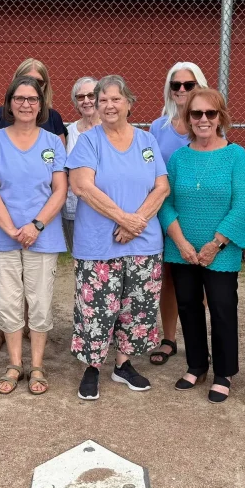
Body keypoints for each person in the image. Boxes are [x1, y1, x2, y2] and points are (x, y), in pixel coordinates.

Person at [67, 75, 170, 401]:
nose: (108, 106)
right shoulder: (89, 141)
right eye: (102, 100)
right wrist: (124, 219)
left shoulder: (146, 141)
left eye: (115, 99)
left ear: (129, 102)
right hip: (99, 243)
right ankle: (93, 368)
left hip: (144, 243)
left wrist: (135, 224)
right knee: (96, 309)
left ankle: (123, 364)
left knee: (137, 307)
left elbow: (162, 187)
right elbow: (82, 186)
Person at [158, 87, 245, 403]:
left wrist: (216, 243)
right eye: (196, 113)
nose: (203, 119)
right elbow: (165, 202)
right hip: (182, 249)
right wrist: (182, 243)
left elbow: (242, 203)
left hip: (220, 251)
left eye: (209, 113)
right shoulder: (179, 158)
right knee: (188, 306)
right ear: (188, 118)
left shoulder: (235, 155)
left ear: (220, 117)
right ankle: (197, 364)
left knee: (222, 308)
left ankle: (223, 372)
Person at [0, 75, 67, 395]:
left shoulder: (53, 142)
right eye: (19, 99)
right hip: (3, 236)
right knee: (8, 301)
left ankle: (38, 365)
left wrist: (35, 226)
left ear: (41, 105)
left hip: (42, 235)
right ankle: (15, 363)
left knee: (40, 302)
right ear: (10, 104)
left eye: (32, 99)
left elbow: (60, 190)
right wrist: (12, 230)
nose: (26, 104)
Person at [148, 62, 208, 366]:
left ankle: (198, 338)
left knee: (202, 277)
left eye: (189, 84)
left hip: (202, 213)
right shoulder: (157, 128)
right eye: (176, 85)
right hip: (166, 213)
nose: (182, 90)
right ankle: (169, 338)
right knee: (168, 279)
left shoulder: (209, 121)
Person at [62, 76, 100, 253]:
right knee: (79, 260)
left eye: (91, 95)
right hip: (73, 209)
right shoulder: (68, 133)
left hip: (106, 209)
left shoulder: (111, 130)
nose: (86, 101)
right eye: (80, 97)